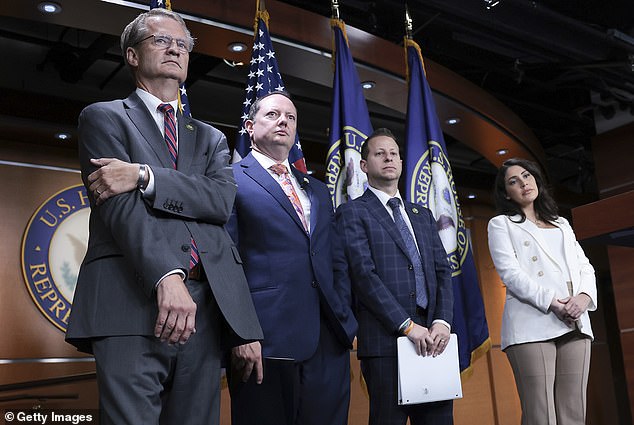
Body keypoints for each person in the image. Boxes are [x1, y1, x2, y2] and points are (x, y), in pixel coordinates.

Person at [65, 8, 262, 425]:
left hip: (205, 314)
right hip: (128, 305)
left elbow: (219, 201)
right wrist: (166, 277)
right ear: (133, 56)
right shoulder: (104, 117)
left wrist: (142, 174)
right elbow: (120, 210)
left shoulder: (210, 138)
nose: (175, 48)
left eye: (183, 45)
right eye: (161, 40)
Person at [226, 91, 357, 425]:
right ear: (249, 126)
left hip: (328, 339)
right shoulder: (229, 179)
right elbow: (225, 262)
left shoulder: (317, 189)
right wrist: (241, 333)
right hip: (265, 340)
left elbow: (336, 259)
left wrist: (344, 318)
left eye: (290, 117)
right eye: (272, 115)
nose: (283, 120)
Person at [334, 128, 454, 425]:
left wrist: (441, 321)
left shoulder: (422, 214)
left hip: (434, 340)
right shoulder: (352, 212)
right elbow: (363, 276)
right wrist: (407, 326)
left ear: (401, 162)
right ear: (364, 165)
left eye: (394, 153)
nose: (388, 158)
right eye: (379, 153)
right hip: (387, 342)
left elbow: (442, 271)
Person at [487, 157, 597, 425]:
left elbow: (585, 266)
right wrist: (553, 303)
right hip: (532, 322)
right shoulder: (501, 224)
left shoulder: (561, 223)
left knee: (574, 413)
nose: (523, 183)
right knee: (541, 415)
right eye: (514, 181)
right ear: (506, 193)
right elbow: (511, 274)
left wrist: (583, 298)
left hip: (575, 319)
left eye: (527, 176)